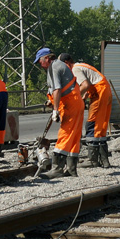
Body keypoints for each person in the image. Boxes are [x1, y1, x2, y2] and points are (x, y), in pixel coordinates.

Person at [35, 47, 82, 178]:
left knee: (65, 134)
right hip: (75, 101)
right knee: (73, 136)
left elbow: (57, 89)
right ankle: (72, 169)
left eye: (40, 61)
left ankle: (57, 169)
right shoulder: (58, 65)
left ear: (47, 58)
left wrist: (55, 109)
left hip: (70, 103)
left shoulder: (54, 67)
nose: (39, 64)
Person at [59, 53, 112, 168]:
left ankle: (93, 160)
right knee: (101, 125)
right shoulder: (82, 65)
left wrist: (75, 98)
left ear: (67, 63)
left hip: (99, 93)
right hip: (104, 90)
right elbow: (91, 83)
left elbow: (86, 85)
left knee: (91, 124)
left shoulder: (75, 69)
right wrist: (85, 97)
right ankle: (104, 160)